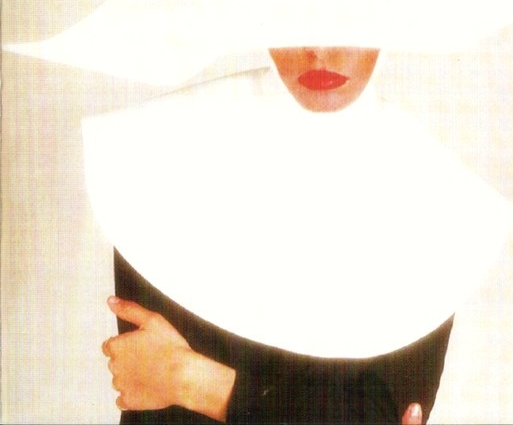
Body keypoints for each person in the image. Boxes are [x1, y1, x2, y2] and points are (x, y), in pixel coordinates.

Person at [101, 47, 455, 424]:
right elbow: (152, 383)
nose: (319, 50)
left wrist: (190, 378)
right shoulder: (163, 158)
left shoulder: (425, 192)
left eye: (345, 22)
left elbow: (377, 416)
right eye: (296, 20)